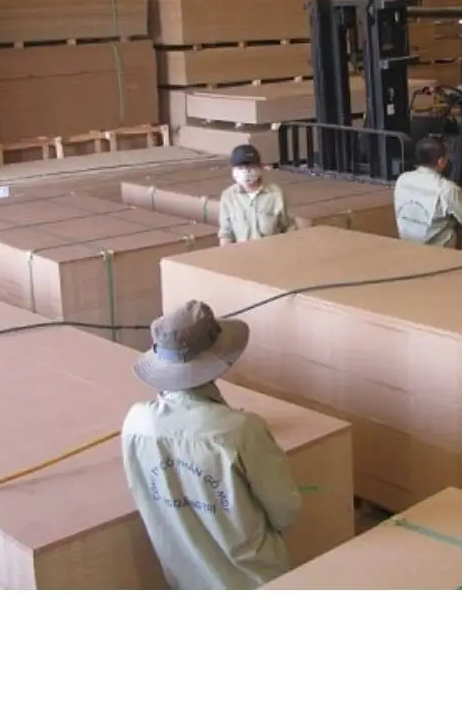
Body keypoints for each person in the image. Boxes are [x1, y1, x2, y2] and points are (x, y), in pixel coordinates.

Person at [121, 300, 302, 590]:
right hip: (255, 581)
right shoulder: (241, 430)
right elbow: (286, 511)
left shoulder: (136, 423)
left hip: (185, 582)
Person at [394, 135, 462, 247]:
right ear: (441, 161)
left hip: (407, 245)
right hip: (437, 249)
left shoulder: (402, 179)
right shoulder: (447, 188)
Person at [218, 144, 295, 246]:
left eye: (250, 166)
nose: (246, 171)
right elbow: (226, 234)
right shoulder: (228, 197)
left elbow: (288, 227)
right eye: (241, 167)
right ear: (234, 171)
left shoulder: (275, 194)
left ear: (260, 167)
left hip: (271, 251)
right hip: (242, 253)